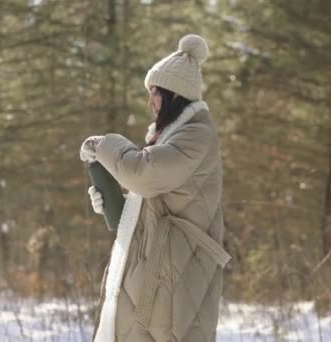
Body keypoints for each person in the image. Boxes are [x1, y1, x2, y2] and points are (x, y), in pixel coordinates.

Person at [79, 34, 230, 342]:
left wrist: (104, 144)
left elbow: (141, 174)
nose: (149, 102)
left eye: (155, 93)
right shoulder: (171, 141)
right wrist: (112, 202)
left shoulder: (196, 137)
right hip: (156, 271)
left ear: (175, 95)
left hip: (175, 275)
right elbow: (151, 201)